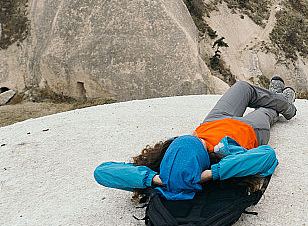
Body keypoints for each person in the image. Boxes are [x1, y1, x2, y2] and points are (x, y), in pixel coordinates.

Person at [94, 78, 296, 200]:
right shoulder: (221, 165)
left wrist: (156, 179)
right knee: (267, 110)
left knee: (244, 87)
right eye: (200, 144)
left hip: (213, 121)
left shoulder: (172, 170)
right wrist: (209, 174)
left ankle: (277, 97)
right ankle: (285, 103)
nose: (200, 140)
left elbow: (101, 171)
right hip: (249, 130)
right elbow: (267, 156)